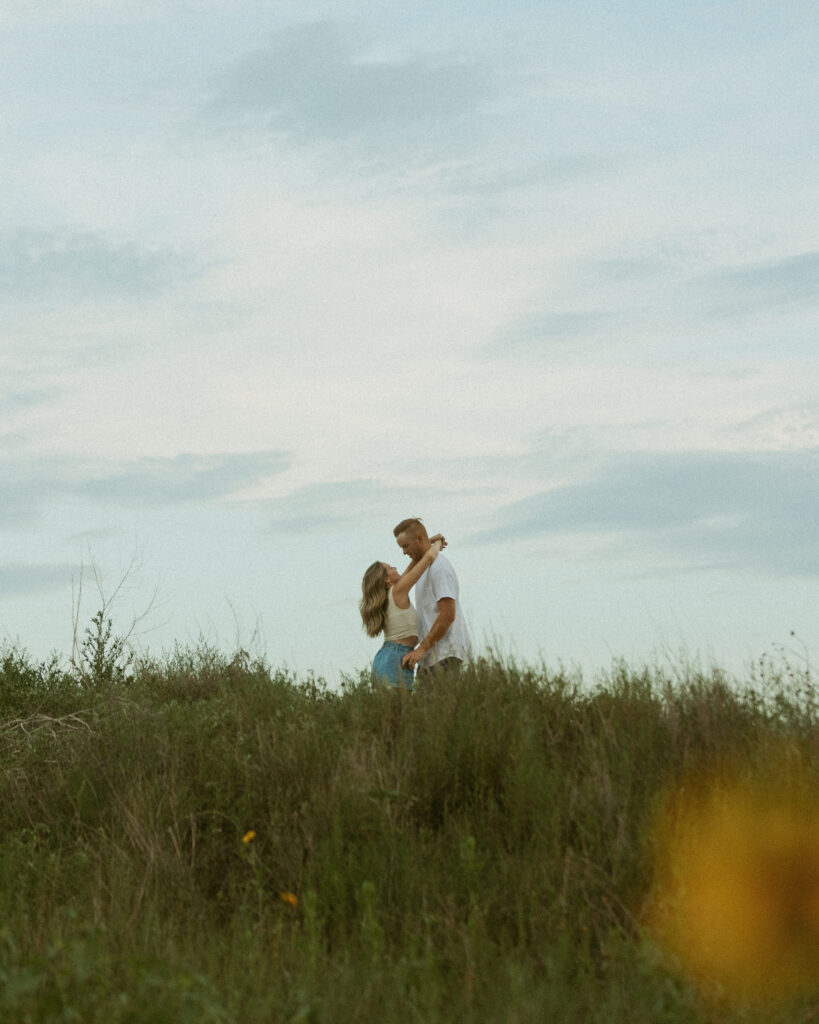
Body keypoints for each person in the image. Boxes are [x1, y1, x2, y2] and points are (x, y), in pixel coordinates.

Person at [359, 535, 445, 689]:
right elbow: (428, 559)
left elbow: (413, 565)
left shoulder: (389, 595)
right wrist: (438, 543)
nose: (396, 568)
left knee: (391, 711)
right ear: (386, 580)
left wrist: (426, 543)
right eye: (391, 568)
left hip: (386, 656)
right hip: (396, 657)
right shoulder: (397, 591)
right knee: (399, 710)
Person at [393, 518, 472, 677]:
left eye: (406, 546)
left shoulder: (439, 568)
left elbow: (448, 614)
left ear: (420, 539)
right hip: (430, 658)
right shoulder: (423, 569)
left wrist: (420, 649)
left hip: (446, 655)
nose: (404, 552)